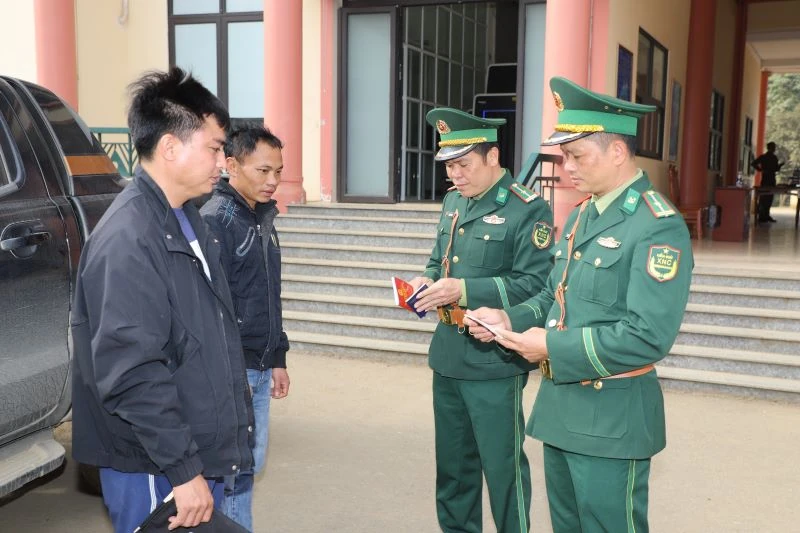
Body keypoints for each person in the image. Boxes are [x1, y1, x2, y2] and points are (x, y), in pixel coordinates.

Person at [467, 77, 693, 532]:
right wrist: (508, 318)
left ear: (617, 152)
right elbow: (556, 294)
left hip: (611, 416)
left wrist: (551, 346)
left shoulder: (655, 226)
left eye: (577, 155)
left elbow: (647, 336)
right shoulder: (585, 213)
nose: (567, 167)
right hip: (562, 410)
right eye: (564, 156)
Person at [70, 67, 254, 533]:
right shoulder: (129, 238)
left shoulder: (190, 220)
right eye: (214, 148)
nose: (223, 163)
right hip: (154, 465)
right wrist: (183, 467)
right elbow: (132, 369)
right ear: (170, 147)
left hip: (190, 452)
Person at [408, 108, 554, 532]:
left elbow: (534, 284)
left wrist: (465, 291)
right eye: (450, 166)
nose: (455, 175)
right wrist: (427, 280)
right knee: (453, 472)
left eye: (464, 164)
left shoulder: (528, 209)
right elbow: (440, 261)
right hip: (449, 354)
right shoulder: (454, 202)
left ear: (493, 157)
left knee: (503, 471)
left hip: (494, 359)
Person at [201, 124, 291, 531]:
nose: (273, 181)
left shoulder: (260, 218)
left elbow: (268, 296)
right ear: (231, 165)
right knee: (229, 476)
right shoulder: (216, 221)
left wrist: (278, 356)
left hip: (257, 369)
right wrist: (231, 374)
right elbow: (208, 311)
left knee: (245, 470)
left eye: (279, 171)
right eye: (264, 171)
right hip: (230, 374)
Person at [752, 141, 786, 223]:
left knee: (766, 197)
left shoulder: (768, 157)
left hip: (768, 178)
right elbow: (754, 163)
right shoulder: (769, 157)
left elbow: (754, 164)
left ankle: (765, 215)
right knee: (766, 197)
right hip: (769, 179)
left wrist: (761, 170)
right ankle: (762, 216)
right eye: (773, 147)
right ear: (770, 148)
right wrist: (761, 170)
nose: (774, 149)